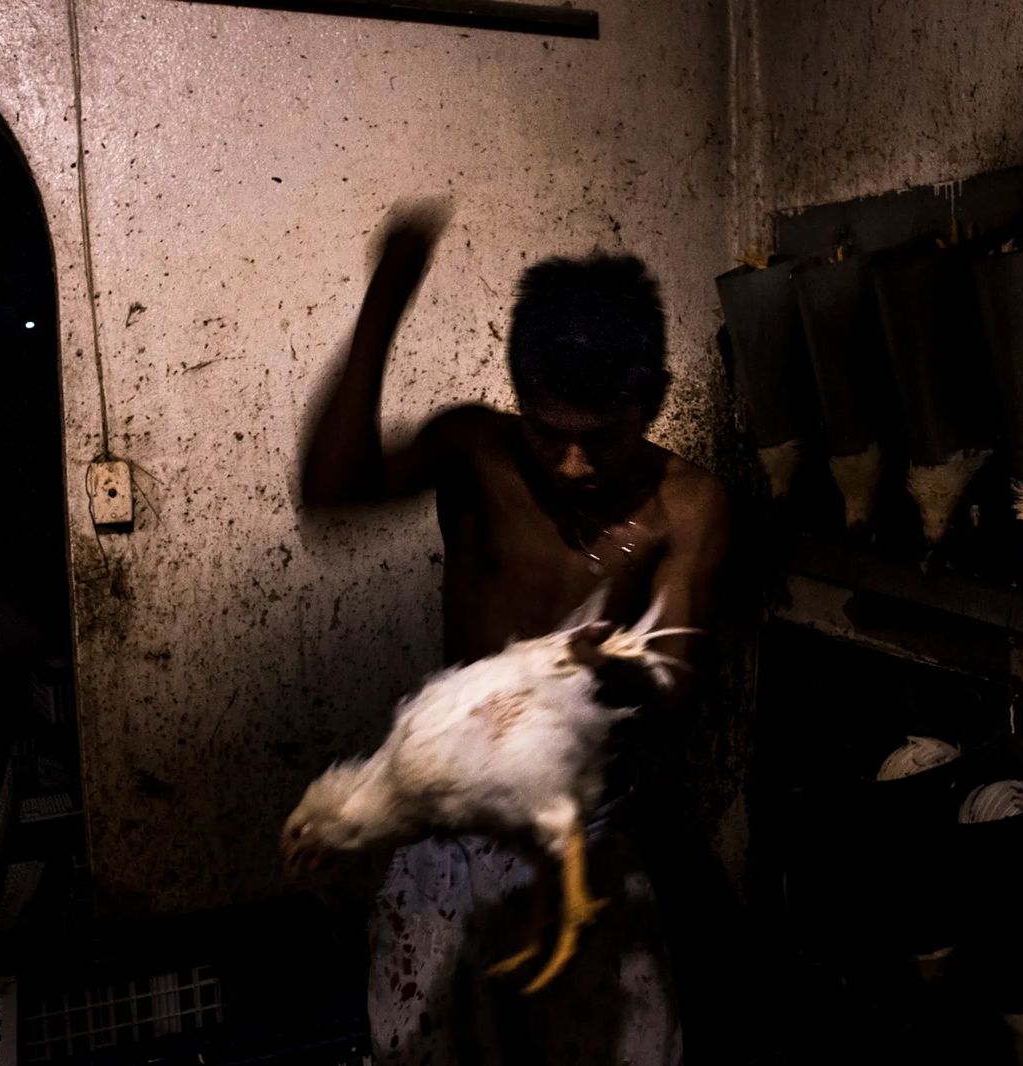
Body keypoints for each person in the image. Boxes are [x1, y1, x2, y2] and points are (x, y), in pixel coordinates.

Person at [300, 203, 729, 1066]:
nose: (573, 465)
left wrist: (615, 675)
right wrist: (382, 306)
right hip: (443, 832)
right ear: (518, 400)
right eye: (549, 433)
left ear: (651, 403)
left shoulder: (688, 505)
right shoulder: (476, 452)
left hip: (584, 835)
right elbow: (332, 487)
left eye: (601, 439)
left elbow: (678, 683)